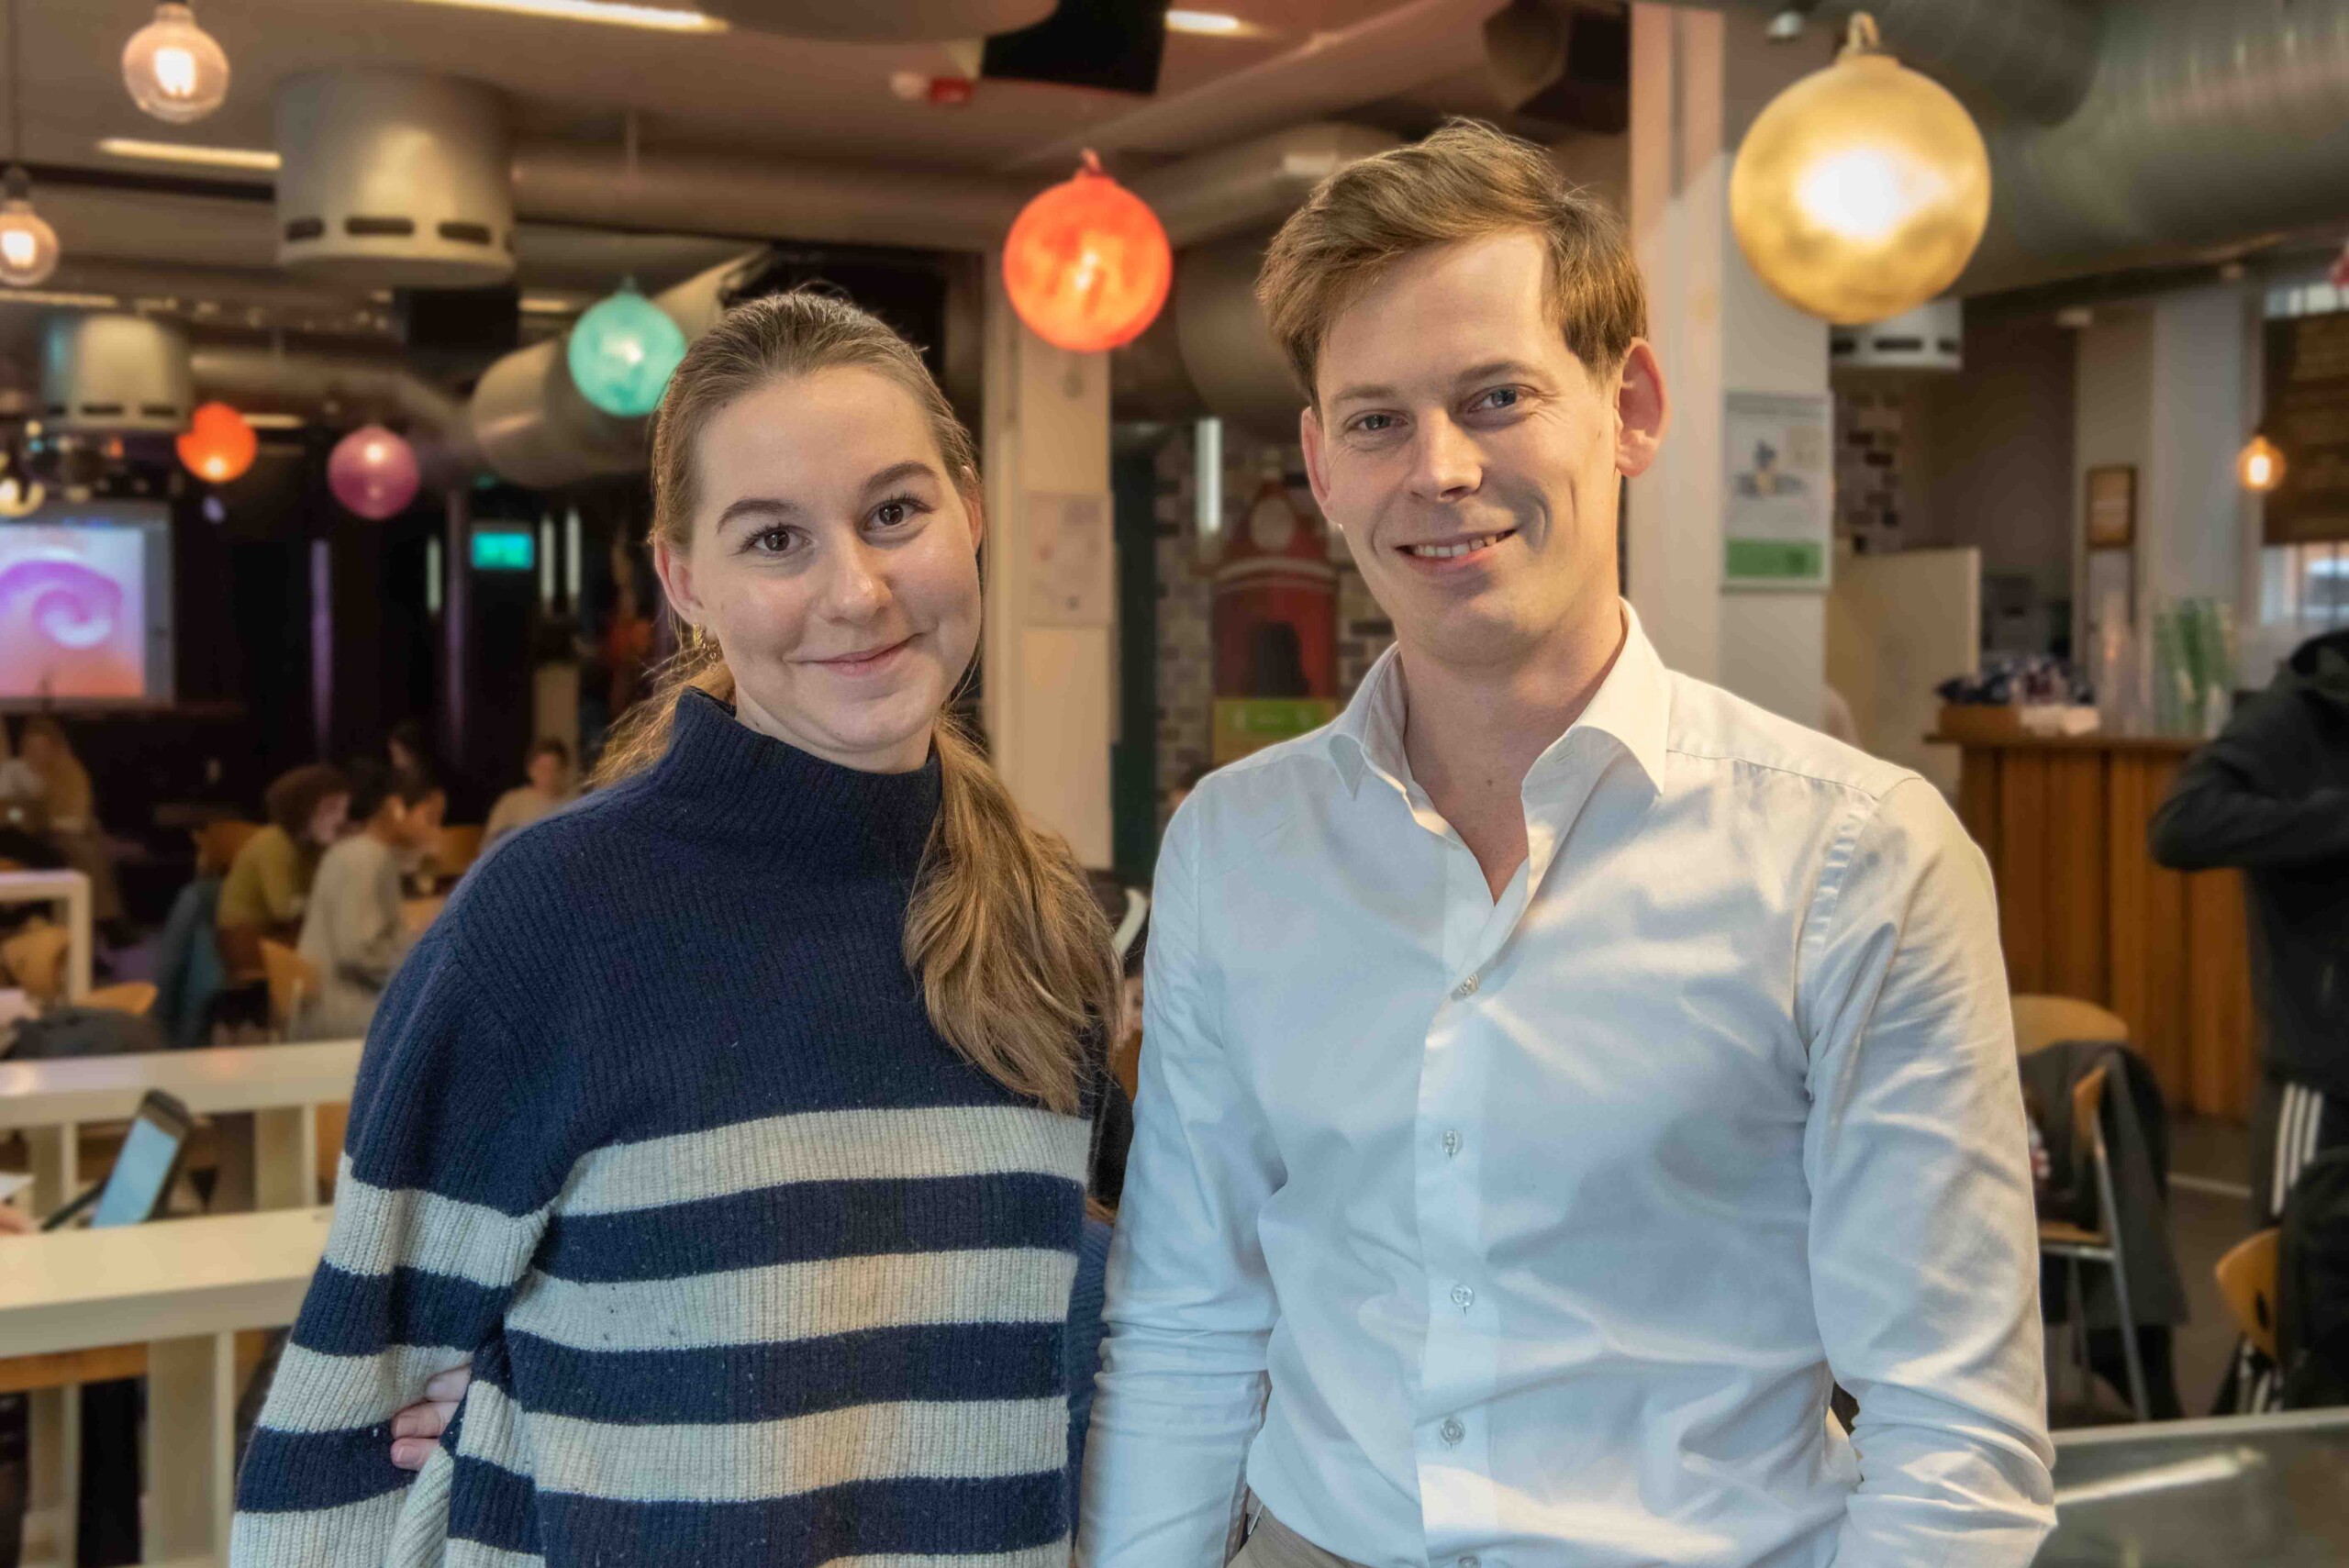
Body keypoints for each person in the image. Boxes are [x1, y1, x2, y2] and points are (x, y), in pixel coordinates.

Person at [1080, 122, 2054, 1568]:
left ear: (1633, 405)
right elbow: (1185, 1328)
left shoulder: (1853, 858)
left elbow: (1952, 1435)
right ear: (1321, 464)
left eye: (1497, 395)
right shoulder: (1235, 845)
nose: (1442, 469)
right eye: (1376, 420)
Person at [231, 290, 1122, 1568]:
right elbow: (340, 1437)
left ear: (970, 510)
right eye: (774, 539)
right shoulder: (547, 923)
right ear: (684, 579)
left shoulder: (1046, 929)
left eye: (894, 512)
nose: (857, 590)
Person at [293, 763, 440, 1041]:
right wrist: (425, 965)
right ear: (396, 808)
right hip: (345, 1008)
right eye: (429, 817)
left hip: (327, 1000)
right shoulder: (368, 859)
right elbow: (359, 952)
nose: (433, 828)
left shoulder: (352, 851)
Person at [216, 763, 350, 977]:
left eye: (343, 809)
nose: (341, 818)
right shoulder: (275, 843)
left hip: (284, 935)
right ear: (304, 808)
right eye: (331, 808)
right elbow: (285, 909)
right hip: (251, 941)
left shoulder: (313, 847)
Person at [483, 738, 577, 846]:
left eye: (554, 769)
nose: (548, 775)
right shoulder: (511, 802)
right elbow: (489, 846)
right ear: (530, 769)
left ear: (564, 770)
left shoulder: (575, 803)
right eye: (542, 769)